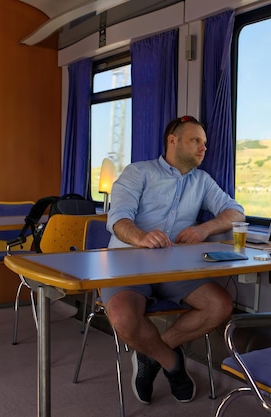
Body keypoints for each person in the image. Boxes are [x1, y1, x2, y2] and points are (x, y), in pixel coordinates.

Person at [104, 115, 245, 405]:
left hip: (174, 268)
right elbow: (118, 219)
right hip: (126, 262)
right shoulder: (138, 172)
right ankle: (172, 363)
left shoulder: (202, 181)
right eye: (195, 140)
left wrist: (203, 228)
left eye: (205, 143)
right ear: (173, 140)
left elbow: (236, 212)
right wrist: (141, 237)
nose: (203, 148)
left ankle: (150, 354)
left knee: (220, 305)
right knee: (122, 316)